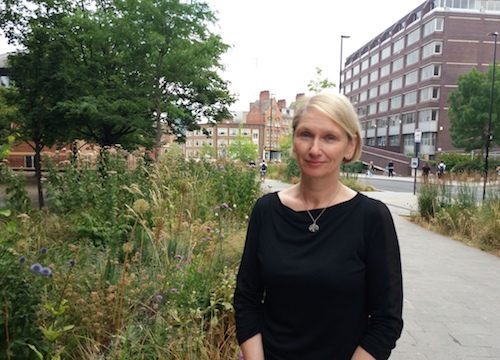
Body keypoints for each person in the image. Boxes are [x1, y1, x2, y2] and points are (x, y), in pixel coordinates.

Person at [234, 93, 403, 360]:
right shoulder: (266, 211)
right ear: (293, 141)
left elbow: (386, 320)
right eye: (305, 135)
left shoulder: (371, 218)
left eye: (329, 137)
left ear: (350, 146)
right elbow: (247, 300)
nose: (315, 149)